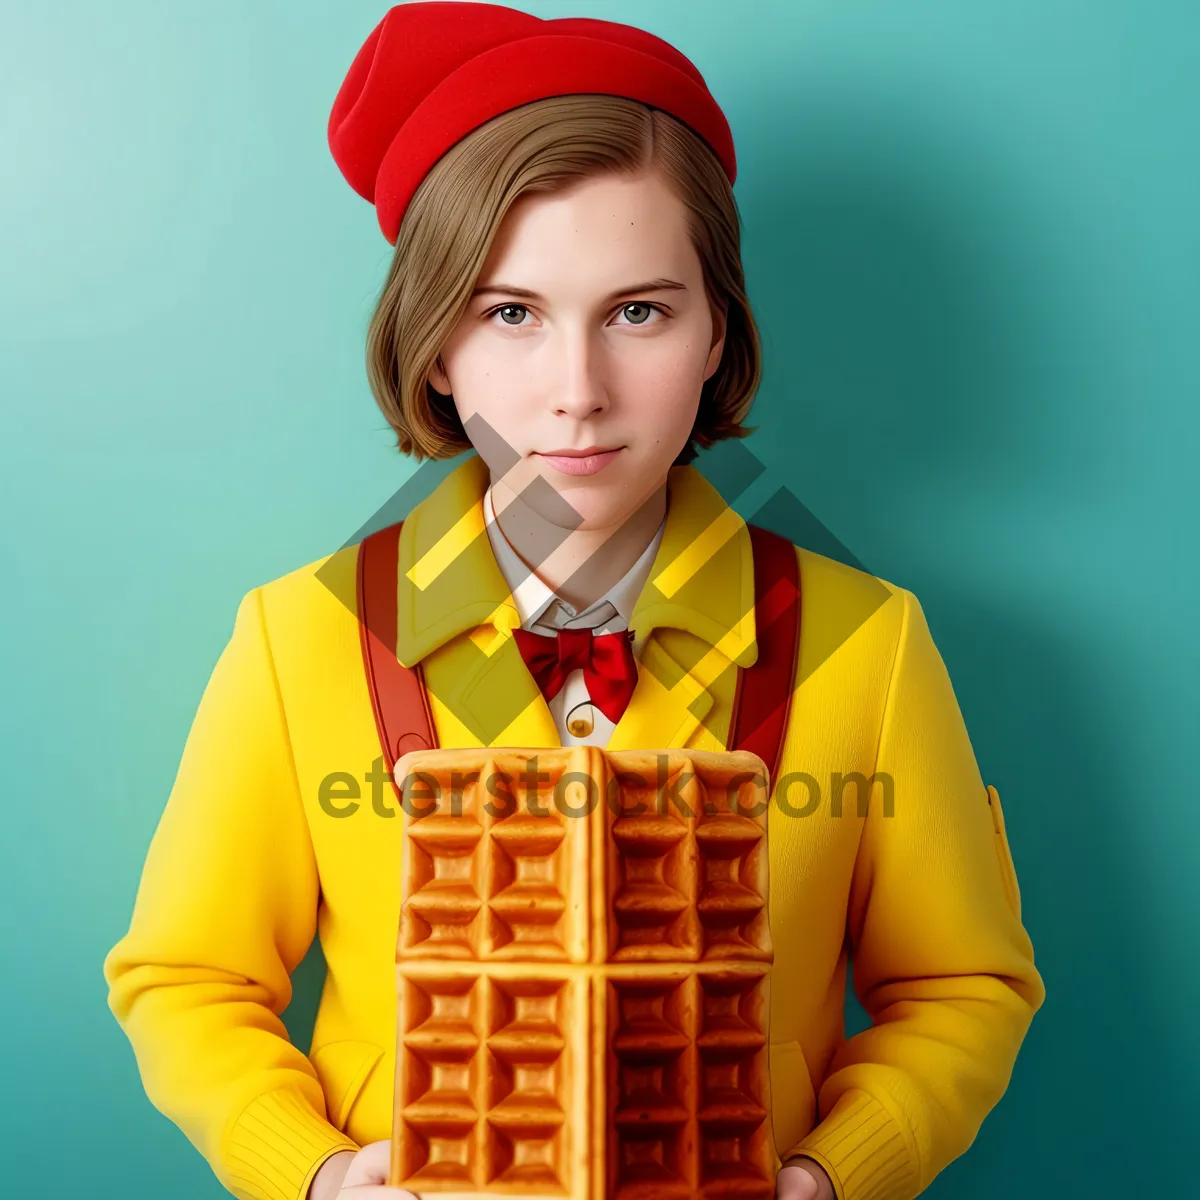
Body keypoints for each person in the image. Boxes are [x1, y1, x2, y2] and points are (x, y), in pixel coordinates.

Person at [103, 6, 1046, 1200]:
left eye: (639, 312)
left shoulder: (871, 641)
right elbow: (184, 975)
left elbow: (962, 985)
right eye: (511, 314)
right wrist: (317, 1174)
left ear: (716, 334)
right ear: (435, 346)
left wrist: (827, 1176)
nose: (578, 394)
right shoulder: (303, 638)